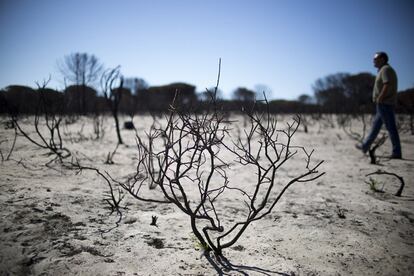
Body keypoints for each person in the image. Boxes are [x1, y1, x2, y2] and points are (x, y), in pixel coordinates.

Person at [356, 52, 402, 158]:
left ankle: (397, 152)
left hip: (385, 103)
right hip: (382, 104)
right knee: (375, 127)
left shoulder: (385, 69)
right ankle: (365, 146)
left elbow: (387, 84)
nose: (373, 61)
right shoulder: (383, 70)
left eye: (375, 59)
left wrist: (380, 97)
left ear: (382, 59)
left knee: (391, 128)